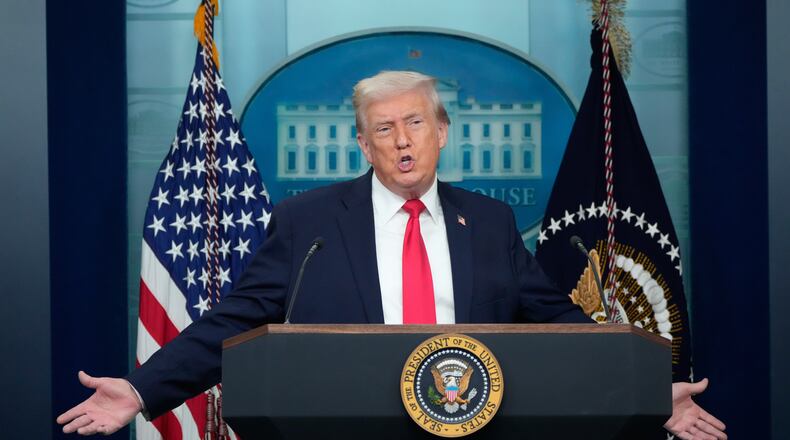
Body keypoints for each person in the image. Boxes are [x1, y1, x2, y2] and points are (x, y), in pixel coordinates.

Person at [57, 71, 727, 440]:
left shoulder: (488, 222)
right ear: (363, 143)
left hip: (473, 428)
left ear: (442, 132)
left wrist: (648, 393)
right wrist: (142, 389)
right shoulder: (308, 223)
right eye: (384, 128)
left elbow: (562, 326)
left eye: (415, 123)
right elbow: (233, 321)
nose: (402, 140)